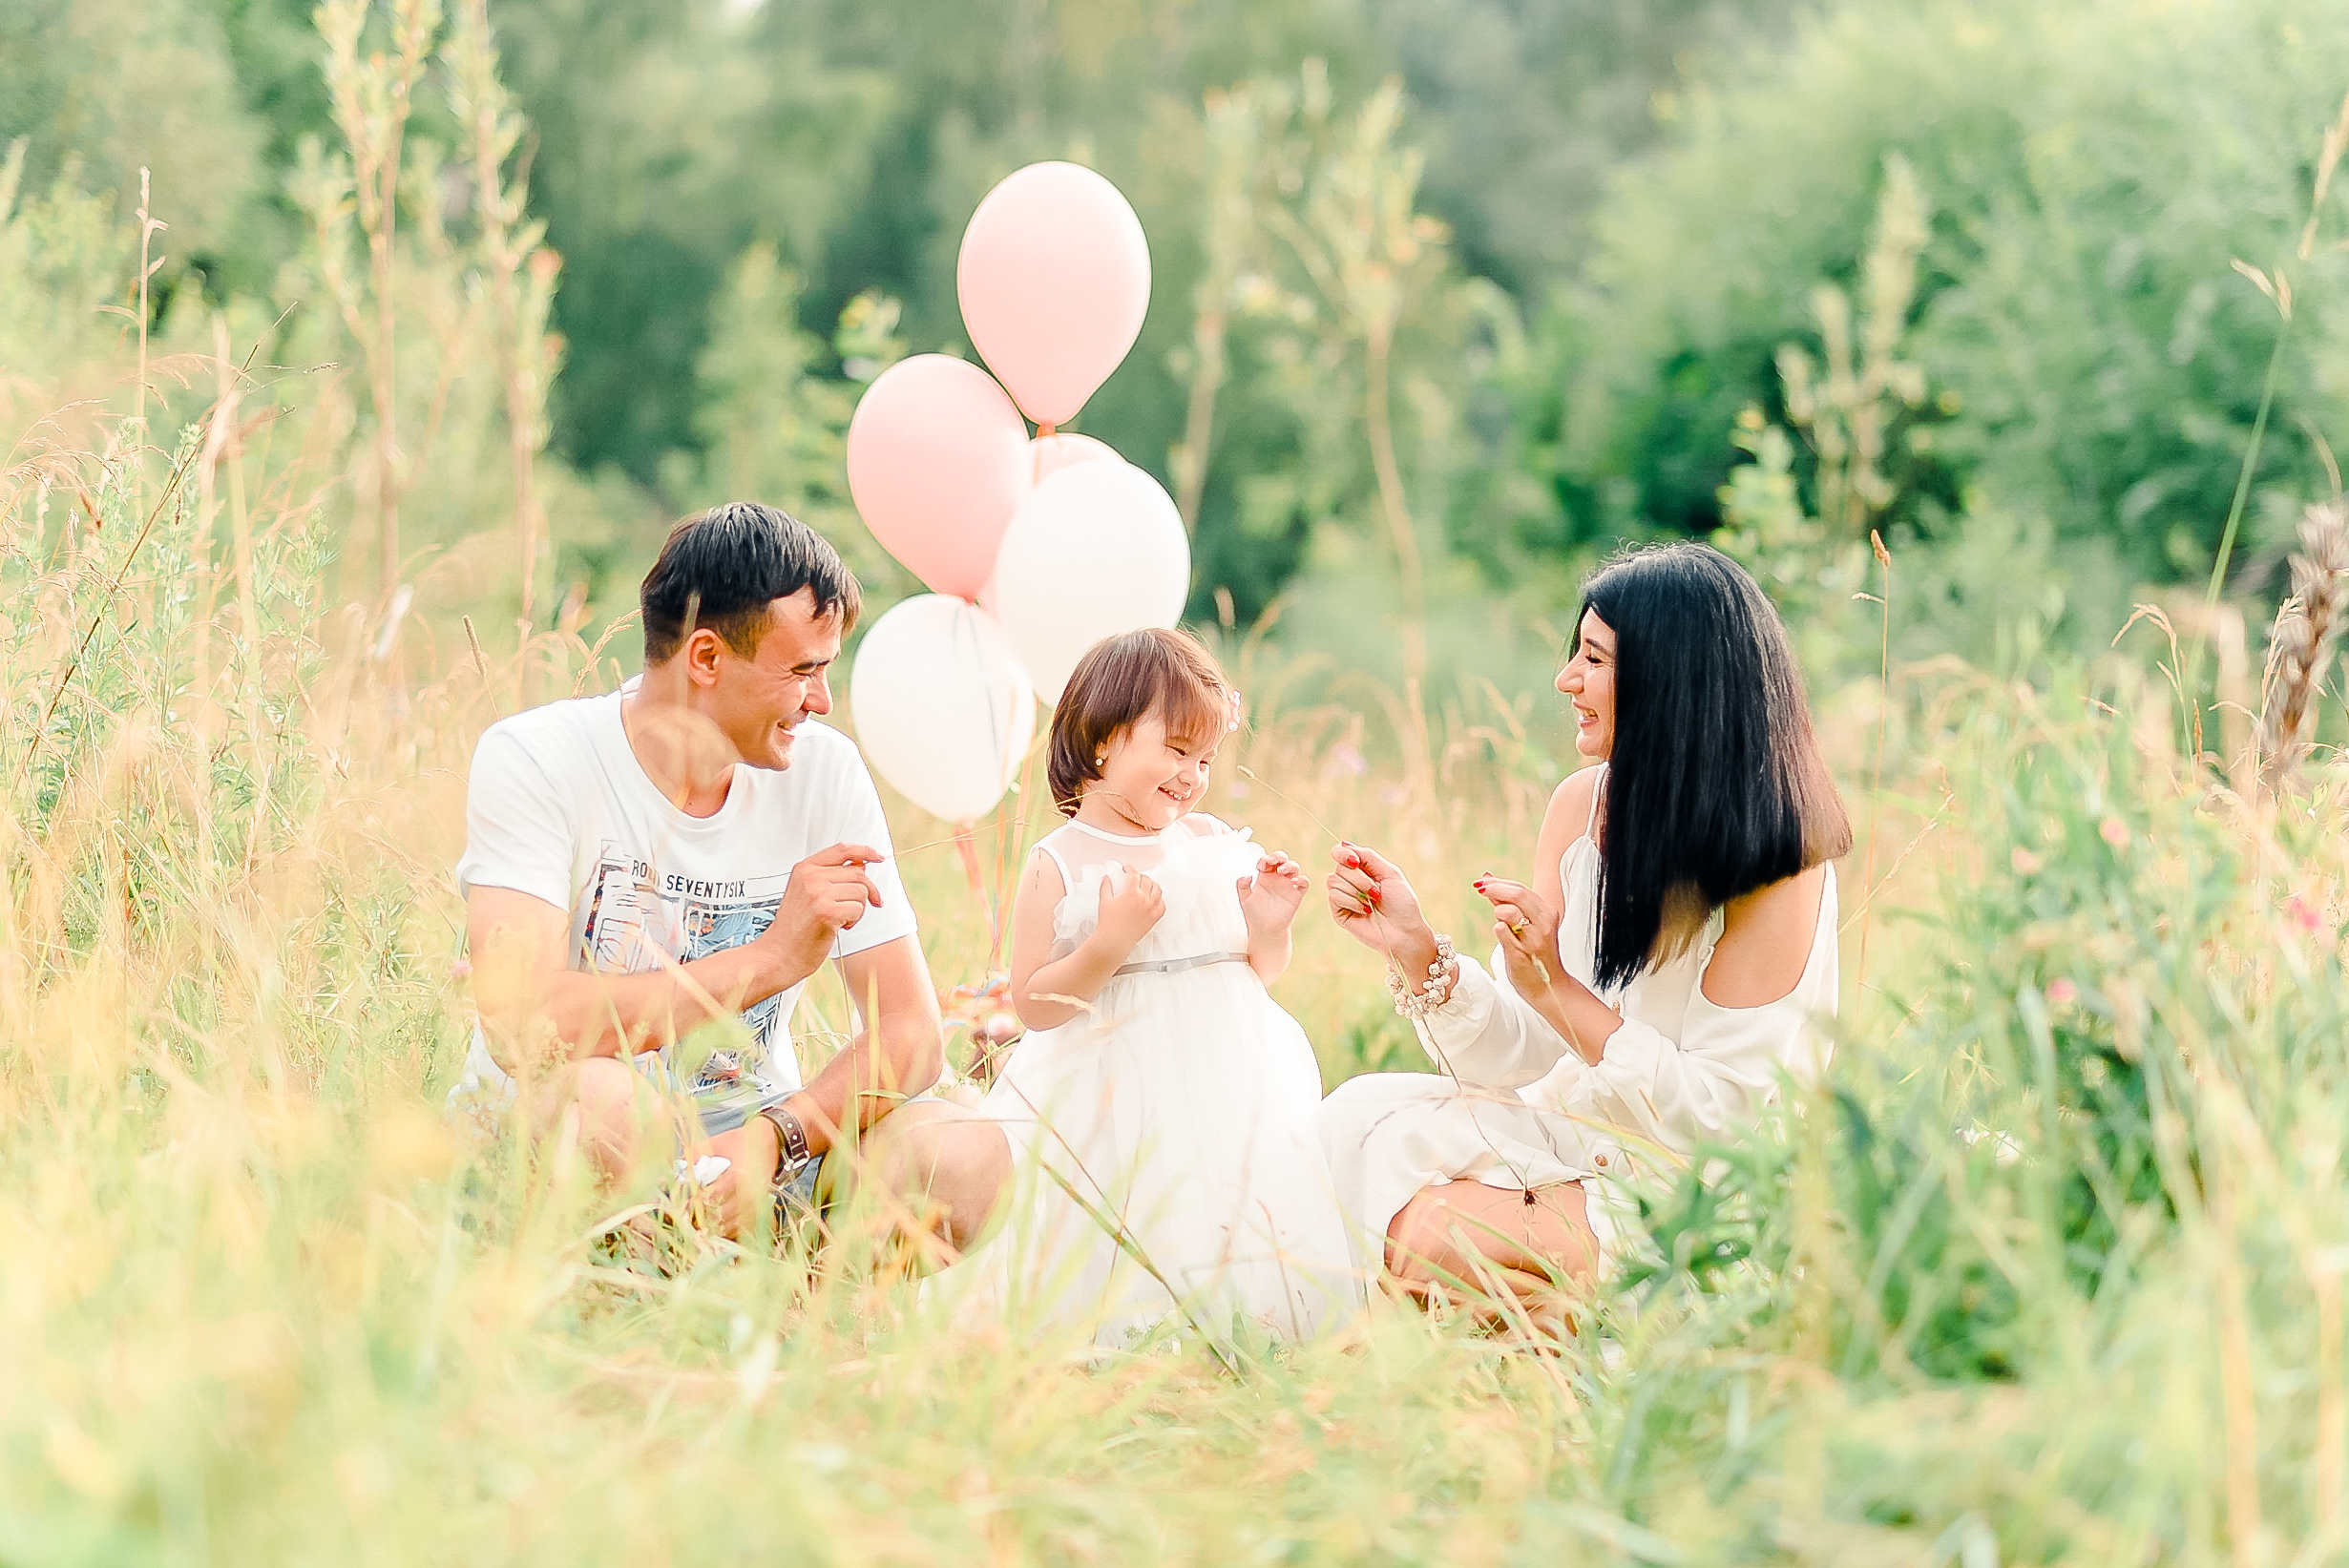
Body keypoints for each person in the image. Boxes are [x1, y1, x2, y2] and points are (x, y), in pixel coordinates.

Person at [455, 501, 1008, 1249]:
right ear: (707, 659)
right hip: (574, 1141)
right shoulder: (537, 758)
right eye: (803, 672)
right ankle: (650, 1301)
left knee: (966, 1156)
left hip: (754, 1145)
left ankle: (793, 1327)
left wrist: (776, 1136)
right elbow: (523, 1024)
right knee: (602, 1103)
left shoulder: (824, 773)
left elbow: (911, 1031)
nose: (821, 701)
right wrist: (770, 958)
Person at [1316, 542, 1849, 1317]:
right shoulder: (1577, 807)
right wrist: (1417, 948)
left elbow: (1722, 1119)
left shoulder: (1777, 865)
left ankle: (1550, 1341)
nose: (1566, 678)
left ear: (1670, 680)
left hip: (1695, 1191)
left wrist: (1559, 990)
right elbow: (1522, 1051)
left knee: (1433, 1235)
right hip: (1575, 1138)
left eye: (1592, 658)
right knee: (1355, 1123)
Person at [946, 629, 1357, 1345]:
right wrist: (1108, 942)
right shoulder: (1060, 860)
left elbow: (1254, 974)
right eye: (1175, 750)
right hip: (1108, 1086)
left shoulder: (1206, 840)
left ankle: (1241, 1329)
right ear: (1104, 739)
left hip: (1224, 1074)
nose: (1192, 774)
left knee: (1225, 1197)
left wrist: (1268, 926)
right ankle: (1125, 1335)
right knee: (1129, 1202)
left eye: (1205, 758)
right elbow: (1034, 1004)